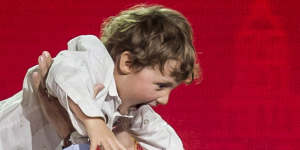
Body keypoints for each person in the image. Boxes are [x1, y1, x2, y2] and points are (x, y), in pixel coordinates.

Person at [0, 4, 201, 150]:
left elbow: (165, 139)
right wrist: (94, 122)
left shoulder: (131, 109)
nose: (165, 99)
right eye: (160, 86)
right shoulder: (94, 62)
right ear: (127, 63)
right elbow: (62, 76)